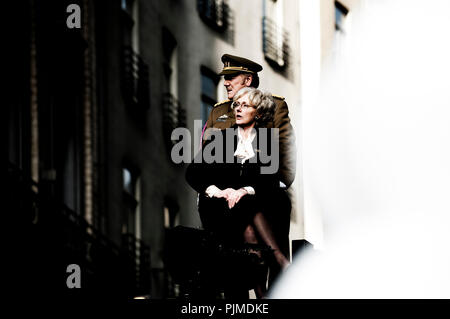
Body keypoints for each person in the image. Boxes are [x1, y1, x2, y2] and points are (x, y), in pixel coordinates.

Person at [202, 54, 296, 289]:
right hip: (227, 194)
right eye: (225, 78)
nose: (225, 83)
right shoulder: (218, 112)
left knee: (265, 243)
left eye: (231, 78)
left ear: (248, 79)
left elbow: (285, 150)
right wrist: (217, 189)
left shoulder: (275, 106)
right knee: (230, 255)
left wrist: (273, 185)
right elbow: (206, 155)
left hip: (264, 188)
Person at [187, 87, 290, 298]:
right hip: (220, 210)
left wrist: (244, 190)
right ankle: (278, 262)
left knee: (250, 214)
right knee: (248, 210)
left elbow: (270, 180)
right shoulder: (221, 140)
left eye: (245, 105)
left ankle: (260, 288)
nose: (238, 109)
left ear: (258, 113)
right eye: (237, 105)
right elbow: (193, 173)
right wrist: (217, 191)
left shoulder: (266, 142)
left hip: (247, 209)